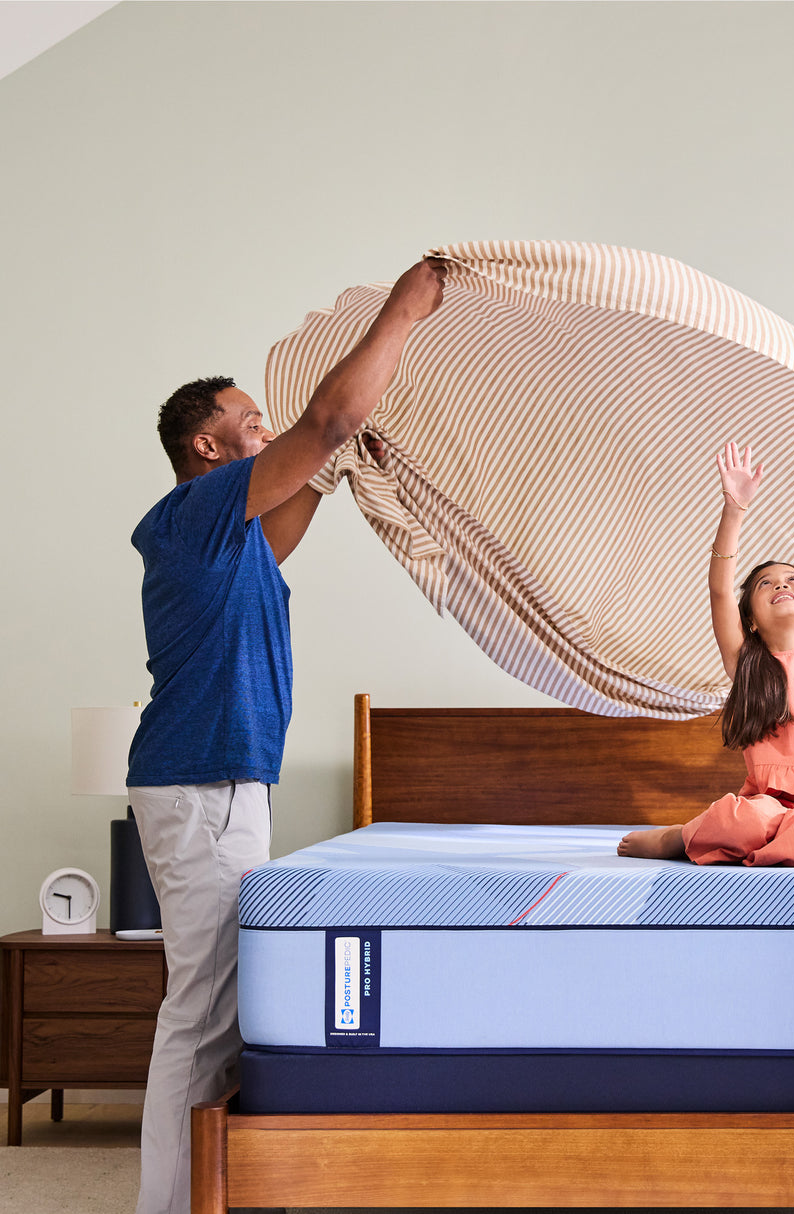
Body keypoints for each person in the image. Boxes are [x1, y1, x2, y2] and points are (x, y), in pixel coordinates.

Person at [124, 257, 447, 1214]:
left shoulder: (234, 540)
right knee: (205, 1011)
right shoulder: (191, 514)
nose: (268, 431)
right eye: (250, 422)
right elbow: (327, 423)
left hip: (218, 783)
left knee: (215, 1007)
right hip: (203, 783)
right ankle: (176, 1203)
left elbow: (305, 496)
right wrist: (408, 306)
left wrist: (341, 465)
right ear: (208, 448)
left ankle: (192, 1193)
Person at [618, 441, 794, 867]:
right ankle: (679, 837)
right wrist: (734, 509)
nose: (780, 585)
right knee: (741, 821)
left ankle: (706, 838)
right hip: (763, 813)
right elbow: (720, 589)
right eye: (765, 584)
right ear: (751, 621)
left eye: (793, 580)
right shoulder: (746, 663)